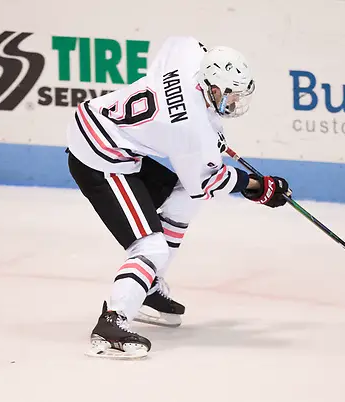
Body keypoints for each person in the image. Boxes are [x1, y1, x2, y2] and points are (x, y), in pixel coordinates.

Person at [65, 36, 291, 359]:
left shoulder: (187, 55)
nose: (234, 103)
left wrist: (209, 133)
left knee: (181, 195)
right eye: (231, 96)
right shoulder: (193, 132)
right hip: (98, 157)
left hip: (105, 131)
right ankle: (112, 323)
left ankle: (147, 287)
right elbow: (208, 181)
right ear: (212, 88)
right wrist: (257, 187)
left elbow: (184, 44)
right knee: (151, 245)